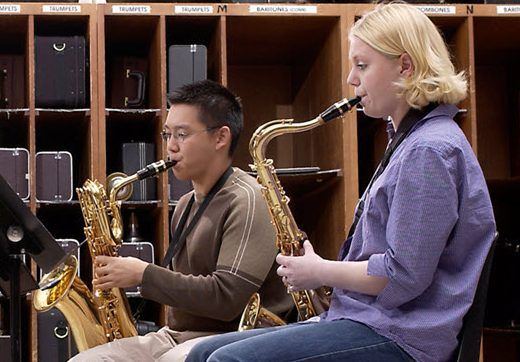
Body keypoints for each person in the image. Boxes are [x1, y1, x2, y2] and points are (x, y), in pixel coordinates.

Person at [185, 3, 496, 362]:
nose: (351, 79)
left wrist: (319, 271)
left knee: (228, 360)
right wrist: (329, 282)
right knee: (204, 352)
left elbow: (403, 275)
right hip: (372, 319)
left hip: (403, 337)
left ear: (406, 67)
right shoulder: (410, 141)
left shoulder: (429, 150)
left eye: (362, 65)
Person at [70, 80, 293, 361]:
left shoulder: (249, 199)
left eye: (182, 135)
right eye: (167, 135)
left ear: (220, 138)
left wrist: (142, 274)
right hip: (179, 335)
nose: (171, 147)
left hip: (241, 335)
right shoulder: (186, 204)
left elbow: (226, 299)